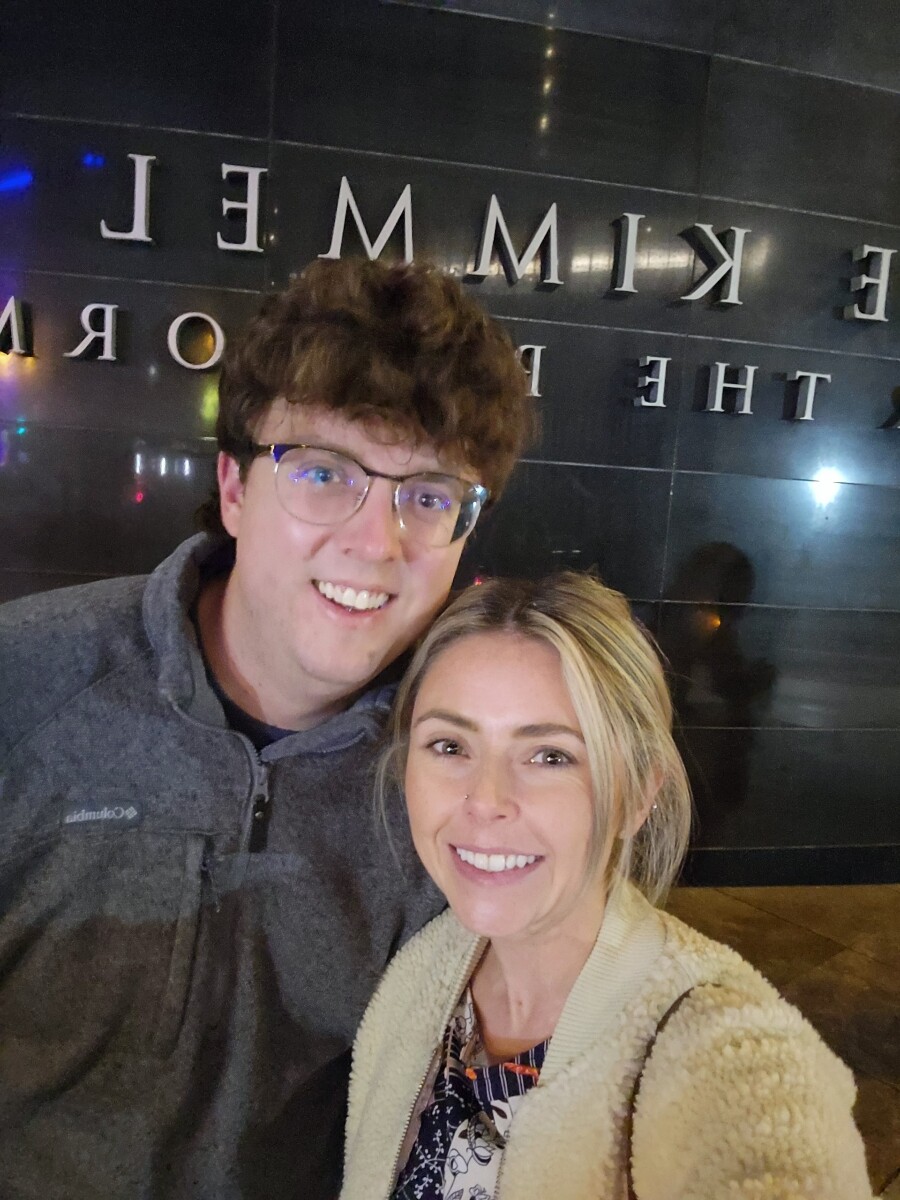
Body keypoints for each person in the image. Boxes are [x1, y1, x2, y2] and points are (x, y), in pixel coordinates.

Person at [0, 258, 536, 1200]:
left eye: (427, 495)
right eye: (324, 473)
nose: (377, 544)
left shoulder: (458, 775)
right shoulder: (26, 683)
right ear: (236, 489)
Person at [341, 572, 874, 1200]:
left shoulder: (722, 1047)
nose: (484, 800)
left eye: (550, 756)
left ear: (637, 793)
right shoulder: (421, 972)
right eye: (450, 745)